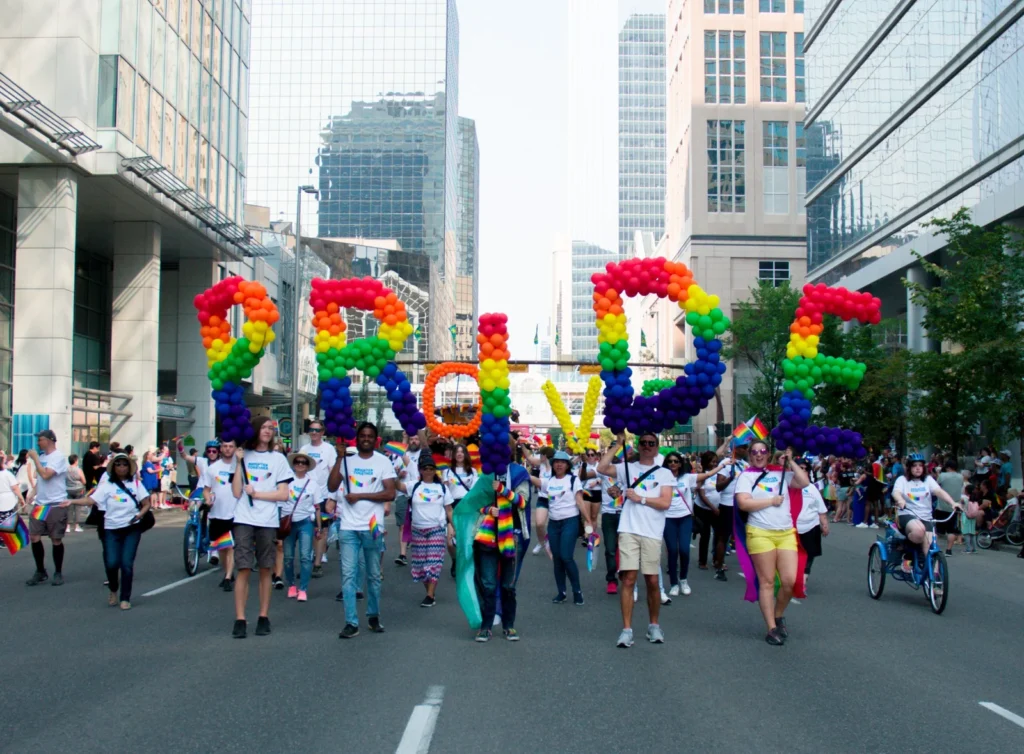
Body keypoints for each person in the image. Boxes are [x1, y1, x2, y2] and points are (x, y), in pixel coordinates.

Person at [596, 432, 674, 647]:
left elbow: (665, 503)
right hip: (629, 529)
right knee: (628, 579)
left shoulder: (665, 473)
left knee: (651, 581)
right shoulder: (627, 468)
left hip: (652, 532)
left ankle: (654, 625)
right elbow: (601, 469)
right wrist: (618, 444)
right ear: (638, 446)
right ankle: (627, 630)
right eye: (644, 443)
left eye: (652, 443)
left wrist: (641, 499)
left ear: (657, 447)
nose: (647, 446)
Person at [734, 441, 810, 645]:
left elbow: (804, 483)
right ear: (750, 455)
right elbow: (743, 503)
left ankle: (778, 615)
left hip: (785, 533)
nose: (759, 455)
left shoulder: (780, 473)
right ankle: (771, 628)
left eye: (763, 452)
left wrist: (791, 461)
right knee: (767, 581)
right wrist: (770, 501)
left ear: (768, 454)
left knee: (789, 581)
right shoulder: (745, 477)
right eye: (755, 452)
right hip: (759, 533)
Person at [328, 421, 397, 639]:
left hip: (372, 526)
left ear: (376, 440)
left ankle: (373, 615)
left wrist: (360, 495)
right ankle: (351, 622)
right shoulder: (347, 461)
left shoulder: (383, 462)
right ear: (356, 439)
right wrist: (339, 458)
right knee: (348, 575)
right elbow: (331, 486)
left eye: (369, 436)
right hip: (348, 526)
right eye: (362, 436)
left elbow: (390, 494)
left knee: (374, 575)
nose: (365, 439)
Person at [230, 417, 292, 638]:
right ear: (255, 430)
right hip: (244, 518)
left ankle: (263, 615)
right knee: (243, 568)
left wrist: (258, 494)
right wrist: (238, 463)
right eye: (264, 427)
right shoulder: (242, 455)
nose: (267, 431)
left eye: (270, 428)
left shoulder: (278, 459)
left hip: (267, 520)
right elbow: (236, 492)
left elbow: (283, 494)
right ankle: (240, 618)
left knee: (266, 567)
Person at [65, 453, 150, 609]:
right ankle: (113, 589)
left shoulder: (136, 484)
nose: (122, 467)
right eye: (118, 464)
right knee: (111, 563)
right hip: (111, 528)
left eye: (125, 464)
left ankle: (125, 598)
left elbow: (146, 503)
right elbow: (91, 500)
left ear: (129, 467)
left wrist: (139, 515)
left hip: (131, 528)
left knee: (126, 564)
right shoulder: (107, 485)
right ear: (114, 467)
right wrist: (71, 501)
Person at [663, 451, 725, 597]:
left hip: (685, 518)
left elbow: (708, 475)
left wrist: (723, 465)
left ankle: (683, 580)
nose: (673, 464)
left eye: (676, 461)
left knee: (684, 550)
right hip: (667, 518)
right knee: (672, 550)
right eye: (670, 461)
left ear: (680, 463)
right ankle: (673, 583)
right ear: (666, 464)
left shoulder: (687, 478)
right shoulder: (661, 478)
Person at [892, 453, 959, 574]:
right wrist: (900, 500)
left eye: (920, 466)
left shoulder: (928, 480)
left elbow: (939, 491)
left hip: (926, 517)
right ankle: (907, 556)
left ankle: (935, 582)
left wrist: (952, 503)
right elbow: (896, 492)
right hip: (907, 515)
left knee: (931, 547)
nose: (918, 468)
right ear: (909, 468)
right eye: (914, 466)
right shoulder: (902, 480)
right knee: (919, 531)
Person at [404, 455, 453, 607]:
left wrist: (453, 527)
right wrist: (394, 472)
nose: (428, 471)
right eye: (426, 468)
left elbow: (449, 510)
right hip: (418, 530)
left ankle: (430, 595)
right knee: (420, 565)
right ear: (421, 470)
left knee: (432, 563)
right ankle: (430, 591)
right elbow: (397, 486)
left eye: (431, 469)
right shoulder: (414, 486)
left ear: (435, 471)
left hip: (436, 529)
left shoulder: (442, 488)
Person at [25, 430, 69, 586]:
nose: (38, 443)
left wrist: (35, 458)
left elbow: (46, 475)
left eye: (40, 440)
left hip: (56, 504)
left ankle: (58, 572)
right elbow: (41, 481)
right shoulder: (42, 458)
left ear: (50, 440)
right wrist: (33, 492)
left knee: (56, 539)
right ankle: (40, 570)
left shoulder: (58, 457)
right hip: (40, 504)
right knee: (34, 537)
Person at [543, 450, 587, 606]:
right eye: (556, 462)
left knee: (566, 556)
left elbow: (580, 502)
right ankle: (561, 592)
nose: (559, 464)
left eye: (562, 462)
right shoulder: (549, 481)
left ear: (567, 464)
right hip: (553, 523)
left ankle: (577, 591)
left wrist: (588, 522)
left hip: (570, 521)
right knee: (557, 559)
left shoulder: (573, 480)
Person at [281, 451, 323, 602]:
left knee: (305, 557)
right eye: (297, 462)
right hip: (287, 522)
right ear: (293, 464)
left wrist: (318, 527)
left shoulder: (313, 485)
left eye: (303, 463)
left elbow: (317, 507)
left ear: (307, 467)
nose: (300, 464)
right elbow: (278, 502)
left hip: (305, 522)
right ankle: (291, 585)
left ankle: (303, 588)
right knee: (288, 557)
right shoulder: (286, 481)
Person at [298, 420, 337, 578]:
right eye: (311, 430)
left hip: (323, 495)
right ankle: (307, 563)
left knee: (322, 529)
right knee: (306, 530)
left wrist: (332, 497)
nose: (313, 432)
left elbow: (333, 472)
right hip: (305, 496)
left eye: (317, 430)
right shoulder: (303, 449)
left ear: (322, 432)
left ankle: (317, 563)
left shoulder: (329, 449)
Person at [203, 437, 241, 591]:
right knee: (222, 548)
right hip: (216, 512)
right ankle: (228, 573)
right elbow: (207, 489)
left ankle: (227, 577)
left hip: (235, 513)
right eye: (224, 446)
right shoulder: (212, 468)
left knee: (231, 546)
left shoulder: (239, 467)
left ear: (235, 448)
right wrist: (207, 499)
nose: (227, 449)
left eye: (230, 446)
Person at [714, 439, 749, 581]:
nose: (746, 450)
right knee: (723, 536)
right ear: (736, 449)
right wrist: (730, 478)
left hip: (743, 504)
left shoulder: (746, 465)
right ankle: (719, 567)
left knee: (747, 536)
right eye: (743, 447)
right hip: (727, 504)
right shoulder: (726, 464)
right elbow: (718, 486)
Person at [443, 443, 478, 577]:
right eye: (456, 452)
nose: (459, 454)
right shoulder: (447, 472)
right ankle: (455, 560)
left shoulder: (473, 472)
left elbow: (474, 491)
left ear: (465, 454)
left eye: (462, 452)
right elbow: (445, 490)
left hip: (467, 507)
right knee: (450, 542)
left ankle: (466, 566)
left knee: (466, 539)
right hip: (452, 507)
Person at [794, 458, 829, 579]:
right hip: (792, 526)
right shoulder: (787, 485)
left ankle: (804, 575)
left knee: (809, 553)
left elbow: (821, 509)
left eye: (805, 469)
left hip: (811, 526)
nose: (803, 471)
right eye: (800, 468)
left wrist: (824, 525)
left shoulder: (812, 488)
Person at [391, 432, 422, 567]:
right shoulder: (400, 456)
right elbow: (393, 473)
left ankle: (420, 553)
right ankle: (402, 554)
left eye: (416, 439)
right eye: (412, 439)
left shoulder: (423, 454)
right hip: (403, 493)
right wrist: (399, 473)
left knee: (418, 525)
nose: (414, 441)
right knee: (403, 524)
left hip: (419, 494)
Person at [692, 450, 723, 575]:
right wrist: (713, 508)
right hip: (703, 509)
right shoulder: (703, 475)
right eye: (712, 462)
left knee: (719, 535)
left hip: (717, 509)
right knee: (705, 535)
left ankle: (717, 559)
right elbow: (702, 495)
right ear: (706, 462)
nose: (715, 464)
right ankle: (702, 561)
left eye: (716, 462)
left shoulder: (719, 474)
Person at [526, 446, 554, 556]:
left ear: (545, 456)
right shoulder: (541, 465)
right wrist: (522, 445)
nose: (539, 456)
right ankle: (542, 542)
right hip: (542, 498)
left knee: (554, 525)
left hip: (554, 500)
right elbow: (529, 457)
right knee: (539, 524)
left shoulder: (556, 466)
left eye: (541, 454)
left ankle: (553, 544)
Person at [936, 459, 965, 556]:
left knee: (937, 530)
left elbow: (936, 487)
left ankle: (936, 548)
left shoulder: (942, 476)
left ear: (947, 467)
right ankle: (949, 550)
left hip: (941, 506)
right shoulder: (961, 477)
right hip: (954, 507)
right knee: (951, 530)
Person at [65, 454, 87, 533]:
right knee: (77, 507)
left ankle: (67, 526)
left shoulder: (66, 469)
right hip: (78, 489)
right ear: (75, 461)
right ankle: (76, 525)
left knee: (69, 508)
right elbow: (84, 481)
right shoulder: (78, 470)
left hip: (68, 489)